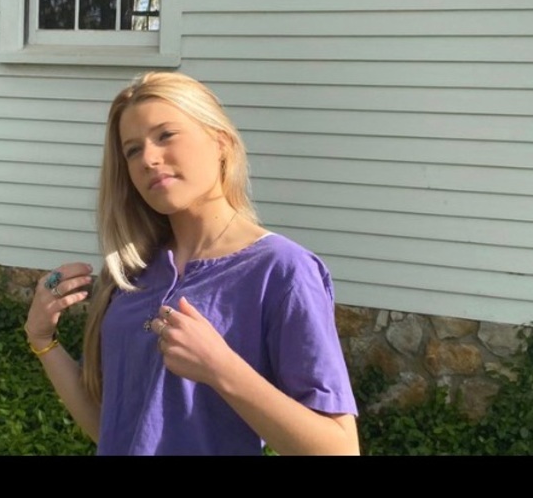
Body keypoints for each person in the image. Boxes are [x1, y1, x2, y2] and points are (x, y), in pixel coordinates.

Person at [24, 71, 359, 455]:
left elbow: (339, 448)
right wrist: (42, 340)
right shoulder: (133, 273)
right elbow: (113, 429)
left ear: (221, 142)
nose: (148, 159)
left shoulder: (282, 271)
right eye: (132, 150)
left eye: (165, 135)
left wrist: (220, 368)